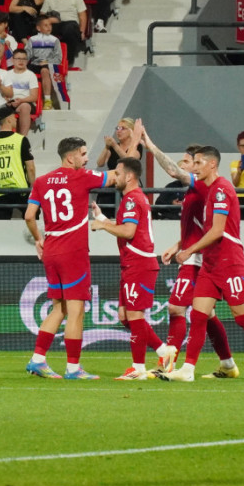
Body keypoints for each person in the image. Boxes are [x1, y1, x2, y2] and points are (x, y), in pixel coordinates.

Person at [159, 141, 244, 383]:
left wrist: (187, 250)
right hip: (210, 263)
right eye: (193, 162)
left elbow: (217, 231)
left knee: (242, 316)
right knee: (199, 315)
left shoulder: (222, 189)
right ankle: (188, 370)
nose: (194, 167)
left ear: (212, 164)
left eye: (198, 162)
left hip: (229, 261)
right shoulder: (210, 190)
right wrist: (180, 245)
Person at [142, 131, 239, 377]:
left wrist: (150, 145)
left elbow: (172, 170)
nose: (187, 166)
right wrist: (178, 245)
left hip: (197, 258)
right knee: (207, 315)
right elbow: (199, 226)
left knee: (176, 308)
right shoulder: (197, 190)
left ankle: (168, 365)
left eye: (190, 161)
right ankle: (228, 365)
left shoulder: (203, 185)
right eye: (189, 162)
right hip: (192, 253)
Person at [23, 136, 118, 380]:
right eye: (83, 154)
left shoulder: (42, 181)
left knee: (59, 308)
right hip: (73, 252)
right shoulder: (82, 177)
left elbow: (29, 216)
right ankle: (73, 368)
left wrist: (38, 239)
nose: (86, 159)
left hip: (51, 250)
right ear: (70, 157)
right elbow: (116, 176)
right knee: (76, 311)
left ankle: (37, 360)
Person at [89, 156, 177, 380]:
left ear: (129, 176)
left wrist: (102, 225)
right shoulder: (133, 198)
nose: (114, 177)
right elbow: (125, 229)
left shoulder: (132, 200)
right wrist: (102, 217)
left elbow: (128, 232)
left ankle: (138, 368)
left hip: (139, 264)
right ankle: (164, 352)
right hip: (131, 264)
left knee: (135, 315)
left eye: (118, 173)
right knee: (125, 316)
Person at [0, 105, 35, 219]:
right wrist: (33, 189)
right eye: (14, 117)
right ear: (8, 120)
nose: (16, 119)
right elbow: (30, 168)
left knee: (0, 224)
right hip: (19, 190)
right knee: (32, 218)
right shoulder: (20, 140)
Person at [95, 116, 141, 216]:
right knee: (106, 211)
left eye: (122, 128)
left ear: (131, 131)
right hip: (112, 183)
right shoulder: (113, 146)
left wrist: (115, 145)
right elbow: (100, 163)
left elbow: (129, 160)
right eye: (117, 128)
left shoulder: (136, 146)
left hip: (127, 183)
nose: (118, 131)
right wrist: (107, 147)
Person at [41, 0, 87, 65]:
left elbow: (82, 15)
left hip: (71, 23)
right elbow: (42, 15)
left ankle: (68, 62)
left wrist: (82, 31)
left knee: (69, 28)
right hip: (55, 23)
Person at [25, 14, 64, 111]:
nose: (49, 27)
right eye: (45, 25)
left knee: (44, 71)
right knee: (24, 72)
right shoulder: (32, 40)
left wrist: (47, 61)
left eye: (50, 25)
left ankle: (47, 100)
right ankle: (27, 98)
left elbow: (58, 58)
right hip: (34, 63)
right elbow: (27, 55)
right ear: (38, 28)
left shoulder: (55, 40)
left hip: (49, 64)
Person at [4, 48, 40, 135]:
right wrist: (7, 101)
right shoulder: (6, 74)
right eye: (18, 59)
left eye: (24, 59)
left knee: (25, 107)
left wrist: (21, 100)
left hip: (26, 101)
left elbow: (34, 96)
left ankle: (22, 138)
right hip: (9, 102)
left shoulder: (31, 75)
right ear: (13, 60)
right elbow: (3, 93)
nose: (21, 61)